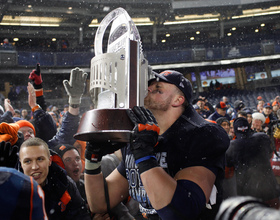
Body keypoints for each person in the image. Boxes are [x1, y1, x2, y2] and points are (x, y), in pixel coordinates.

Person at [84, 70, 230, 220]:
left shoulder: (201, 135)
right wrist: (92, 159)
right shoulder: (140, 136)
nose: (148, 89)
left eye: (158, 89)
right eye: (149, 87)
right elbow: (101, 202)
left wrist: (145, 156)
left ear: (178, 100)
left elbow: (181, 212)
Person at [19, 137, 91, 220]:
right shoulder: (10, 187)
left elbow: (81, 216)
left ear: (50, 160)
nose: (35, 167)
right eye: (28, 161)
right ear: (21, 164)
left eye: (40, 159)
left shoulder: (64, 183)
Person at [225, 117, 280, 208]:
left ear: (235, 130)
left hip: (247, 195)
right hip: (269, 189)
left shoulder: (232, 146)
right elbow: (270, 155)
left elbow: (227, 174)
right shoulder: (262, 138)